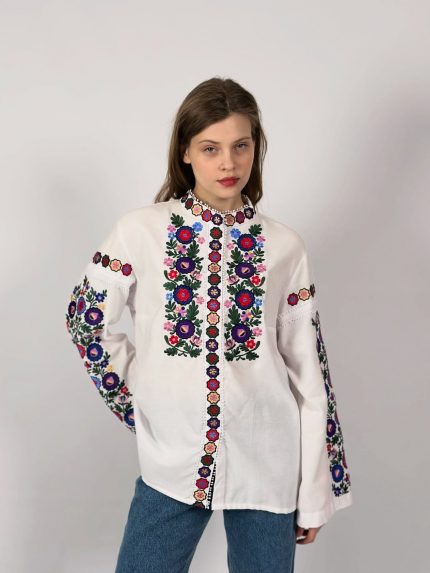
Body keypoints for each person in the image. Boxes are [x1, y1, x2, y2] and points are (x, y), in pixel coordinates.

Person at [65, 76, 353, 572]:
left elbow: (310, 373)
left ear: (256, 149)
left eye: (241, 146)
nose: (228, 163)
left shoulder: (285, 246)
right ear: (185, 152)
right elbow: (85, 320)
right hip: (172, 461)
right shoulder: (140, 232)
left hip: (269, 462)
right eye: (210, 148)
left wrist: (315, 491)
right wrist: (140, 401)